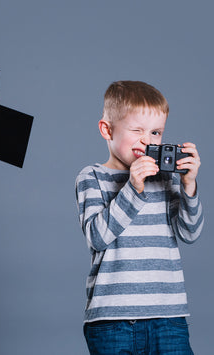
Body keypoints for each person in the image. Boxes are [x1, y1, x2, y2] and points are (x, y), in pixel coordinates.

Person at [75, 81, 204, 354]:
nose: (148, 141)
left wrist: (189, 186)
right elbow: (97, 237)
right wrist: (132, 188)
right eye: (137, 131)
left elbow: (190, 233)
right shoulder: (92, 176)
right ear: (107, 130)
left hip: (168, 315)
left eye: (156, 132)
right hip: (112, 319)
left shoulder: (165, 177)